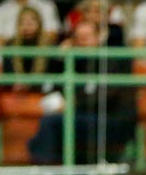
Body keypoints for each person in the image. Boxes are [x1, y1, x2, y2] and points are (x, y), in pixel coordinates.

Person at [27, 18, 134, 165]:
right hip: (81, 116)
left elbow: (107, 96)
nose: (82, 42)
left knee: (51, 123)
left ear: (99, 37)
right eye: (78, 38)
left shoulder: (112, 59)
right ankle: (50, 172)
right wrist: (59, 60)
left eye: (86, 37)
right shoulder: (74, 60)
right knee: (50, 123)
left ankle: (46, 171)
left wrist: (72, 105)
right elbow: (48, 86)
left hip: (111, 119)